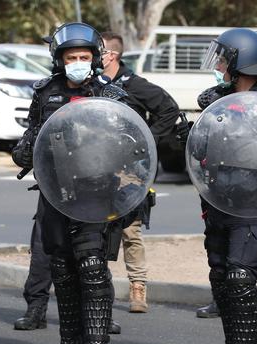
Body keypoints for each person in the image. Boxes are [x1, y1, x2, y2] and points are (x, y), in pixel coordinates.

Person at [12, 22, 138, 344]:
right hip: (55, 193)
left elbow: (130, 143)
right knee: (63, 270)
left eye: (84, 56)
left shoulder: (110, 94)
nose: (78, 62)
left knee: (93, 267)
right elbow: (33, 132)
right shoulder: (45, 91)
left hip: (96, 194)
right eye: (72, 57)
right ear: (60, 59)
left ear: (94, 58)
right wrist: (23, 151)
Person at [178, 27, 257, 344]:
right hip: (218, 202)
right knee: (222, 279)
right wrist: (188, 137)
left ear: (239, 61)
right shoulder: (215, 99)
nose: (218, 64)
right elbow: (203, 149)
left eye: (223, 57)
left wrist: (241, 144)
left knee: (241, 278)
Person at [100, 31, 179, 313]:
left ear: (111, 56)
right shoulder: (91, 84)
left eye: (98, 51)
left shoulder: (134, 85)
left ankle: (137, 286)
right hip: (95, 169)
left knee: (130, 231)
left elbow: (169, 111)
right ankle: (98, 289)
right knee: (94, 232)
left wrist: (144, 139)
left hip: (129, 170)